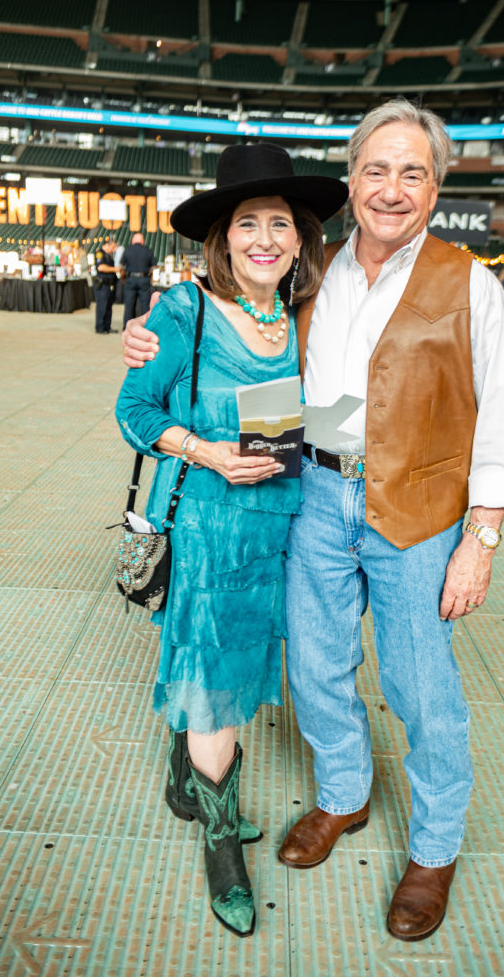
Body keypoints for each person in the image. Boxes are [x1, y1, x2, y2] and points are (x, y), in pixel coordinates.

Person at [123, 100, 504, 943]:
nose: (392, 188)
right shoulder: (313, 279)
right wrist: (149, 333)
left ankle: (434, 849)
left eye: (413, 172)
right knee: (314, 670)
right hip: (313, 493)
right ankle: (344, 795)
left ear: (435, 187)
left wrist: (482, 538)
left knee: (422, 690)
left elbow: (503, 416)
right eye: (376, 170)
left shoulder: (471, 283)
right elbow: (278, 376)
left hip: (418, 509)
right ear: (351, 183)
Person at [115, 142, 348, 938]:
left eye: (280, 224)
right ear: (223, 237)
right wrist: (209, 451)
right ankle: (222, 844)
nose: (264, 239)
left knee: (234, 662)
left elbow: (308, 422)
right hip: (207, 526)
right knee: (215, 671)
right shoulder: (184, 311)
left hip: (279, 523)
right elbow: (135, 414)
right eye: (248, 223)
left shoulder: (300, 318)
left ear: (301, 237)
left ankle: (188, 780)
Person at [121, 233, 158, 328]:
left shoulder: (127, 249)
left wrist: (124, 278)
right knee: (145, 305)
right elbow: (154, 266)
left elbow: (121, 265)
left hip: (130, 279)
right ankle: (144, 327)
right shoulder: (148, 250)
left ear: (133, 240)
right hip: (144, 279)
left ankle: (127, 327)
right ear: (142, 241)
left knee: (129, 305)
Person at [94, 237, 120, 333]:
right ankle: (100, 327)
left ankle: (107, 326)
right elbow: (101, 267)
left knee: (109, 306)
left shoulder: (109, 255)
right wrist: (115, 269)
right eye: (113, 247)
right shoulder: (99, 253)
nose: (113, 250)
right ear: (107, 245)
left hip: (110, 285)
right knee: (102, 306)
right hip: (102, 285)